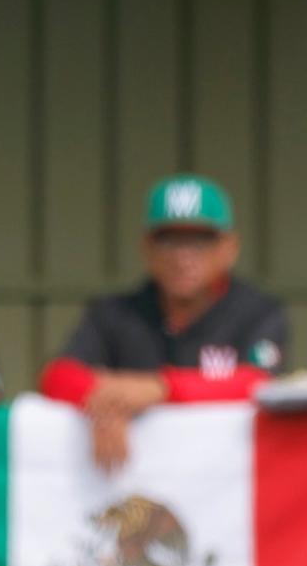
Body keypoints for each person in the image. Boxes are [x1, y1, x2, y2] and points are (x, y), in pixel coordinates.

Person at [37, 173, 289, 469]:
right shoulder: (115, 312)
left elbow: (259, 384)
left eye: (200, 240)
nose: (183, 257)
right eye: (169, 240)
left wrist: (160, 389)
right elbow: (57, 376)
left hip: (225, 482)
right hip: (133, 482)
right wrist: (106, 404)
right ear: (147, 248)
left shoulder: (258, 312)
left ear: (229, 248)